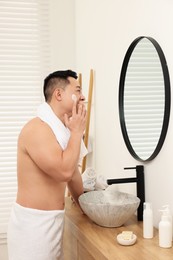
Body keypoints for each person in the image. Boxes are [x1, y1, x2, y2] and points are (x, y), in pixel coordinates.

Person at [7, 70, 87, 260]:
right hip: (32, 227)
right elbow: (64, 171)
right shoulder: (37, 129)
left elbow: (74, 174)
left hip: (52, 222)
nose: (83, 96)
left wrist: (88, 208)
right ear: (58, 94)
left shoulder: (62, 131)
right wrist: (76, 133)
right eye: (77, 90)